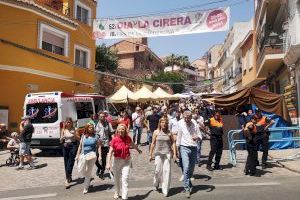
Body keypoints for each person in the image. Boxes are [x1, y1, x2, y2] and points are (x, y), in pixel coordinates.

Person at [106, 124, 142, 200]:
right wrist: (108, 163)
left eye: (123, 129)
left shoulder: (128, 138)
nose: (121, 130)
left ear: (125, 130)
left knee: (125, 178)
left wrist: (138, 150)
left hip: (126, 161)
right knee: (116, 178)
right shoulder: (114, 139)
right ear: (117, 130)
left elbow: (133, 145)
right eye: (119, 129)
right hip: (117, 161)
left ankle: (124, 196)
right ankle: (117, 192)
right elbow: (110, 152)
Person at [176, 111, 202, 198]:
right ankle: (186, 188)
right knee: (186, 167)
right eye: (185, 118)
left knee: (191, 169)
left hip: (194, 147)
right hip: (184, 147)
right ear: (183, 117)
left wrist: (197, 137)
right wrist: (177, 149)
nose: (186, 120)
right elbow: (179, 136)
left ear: (191, 117)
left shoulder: (194, 123)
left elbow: (200, 135)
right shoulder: (180, 123)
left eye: (188, 118)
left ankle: (189, 182)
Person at [149, 117, 176, 197]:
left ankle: (165, 189)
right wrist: (150, 154)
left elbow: (173, 143)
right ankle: (156, 182)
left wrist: (174, 153)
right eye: (162, 122)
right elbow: (153, 143)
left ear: (167, 124)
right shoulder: (156, 132)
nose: (164, 124)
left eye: (165, 122)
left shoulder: (169, 133)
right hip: (158, 154)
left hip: (167, 154)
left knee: (167, 171)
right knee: (157, 170)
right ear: (160, 123)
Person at [76, 123, 101, 194]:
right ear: (87, 128)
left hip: (92, 156)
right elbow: (80, 146)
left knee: (88, 171)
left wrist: (100, 156)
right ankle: (88, 178)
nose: (91, 129)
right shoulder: (84, 136)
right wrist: (77, 155)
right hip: (84, 155)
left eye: (92, 128)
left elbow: (99, 146)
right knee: (81, 169)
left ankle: (86, 187)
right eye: (90, 127)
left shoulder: (96, 136)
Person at [60, 118, 78, 189]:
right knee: (66, 162)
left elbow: (79, 138)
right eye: (67, 122)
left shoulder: (75, 129)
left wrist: (74, 135)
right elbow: (61, 140)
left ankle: (67, 180)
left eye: (69, 122)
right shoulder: (63, 130)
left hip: (73, 145)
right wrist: (62, 139)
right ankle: (69, 176)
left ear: (71, 123)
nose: (68, 123)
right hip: (65, 146)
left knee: (70, 162)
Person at [95, 112, 114, 179]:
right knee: (96, 159)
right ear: (99, 117)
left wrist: (114, 141)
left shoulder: (108, 124)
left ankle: (102, 172)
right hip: (98, 144)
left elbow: (111, 133)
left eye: (103, 116)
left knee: (103, 159)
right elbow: (95, 134)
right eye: (101, 117)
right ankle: (99, 168)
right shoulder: (96, 124)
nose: (103, 118)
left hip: (105, 143)